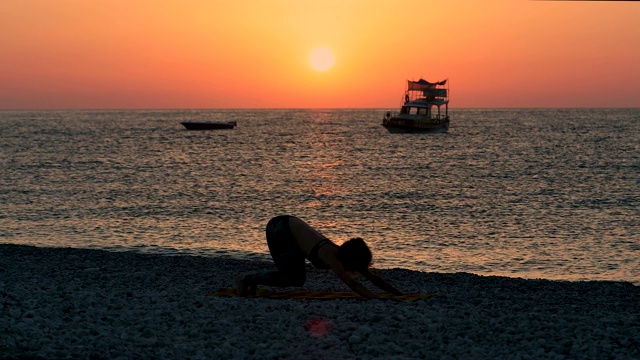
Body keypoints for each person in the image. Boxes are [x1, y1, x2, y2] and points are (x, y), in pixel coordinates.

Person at [236, 215, 403, 298]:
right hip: (279, 227)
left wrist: (398, 294)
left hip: (290, 229)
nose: (360, 269)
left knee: (296, 278)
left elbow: (374, 278)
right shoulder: (331, 256)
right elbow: (352, 283)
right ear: (351, 260)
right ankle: (246, 279)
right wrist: (374, 298)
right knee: (293, 278)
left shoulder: (343, 255)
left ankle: (252, 281)